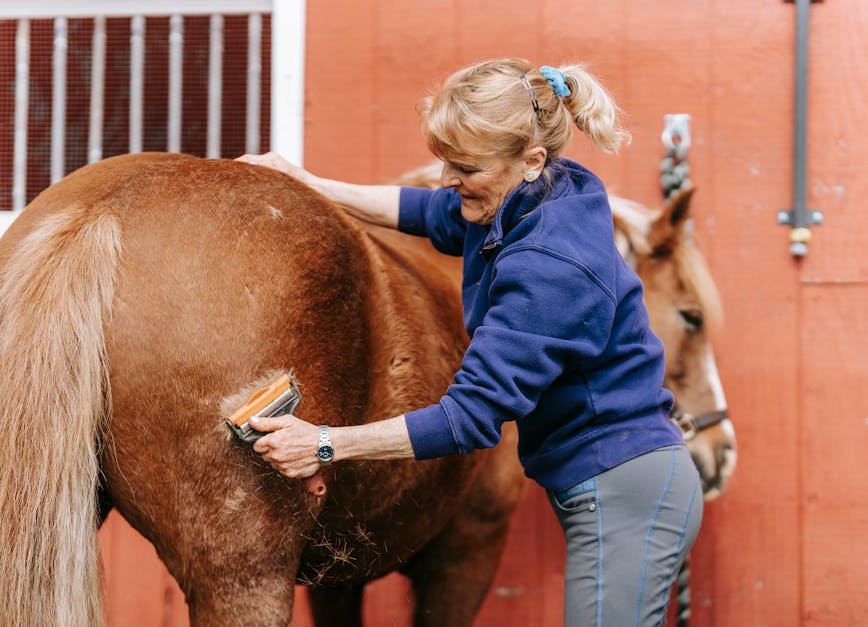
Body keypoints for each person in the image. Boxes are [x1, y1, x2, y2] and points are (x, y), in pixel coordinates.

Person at [237, 57, 702, 626]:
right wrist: (309, 183)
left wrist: (325, 444)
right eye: (444, 163)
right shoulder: (544, 193)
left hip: (624, 489)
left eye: (465, 168)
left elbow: (469, 418)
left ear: (530, 161)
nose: (446, 180)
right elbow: (432, 212)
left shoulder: (550, 266)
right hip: (607, 480)